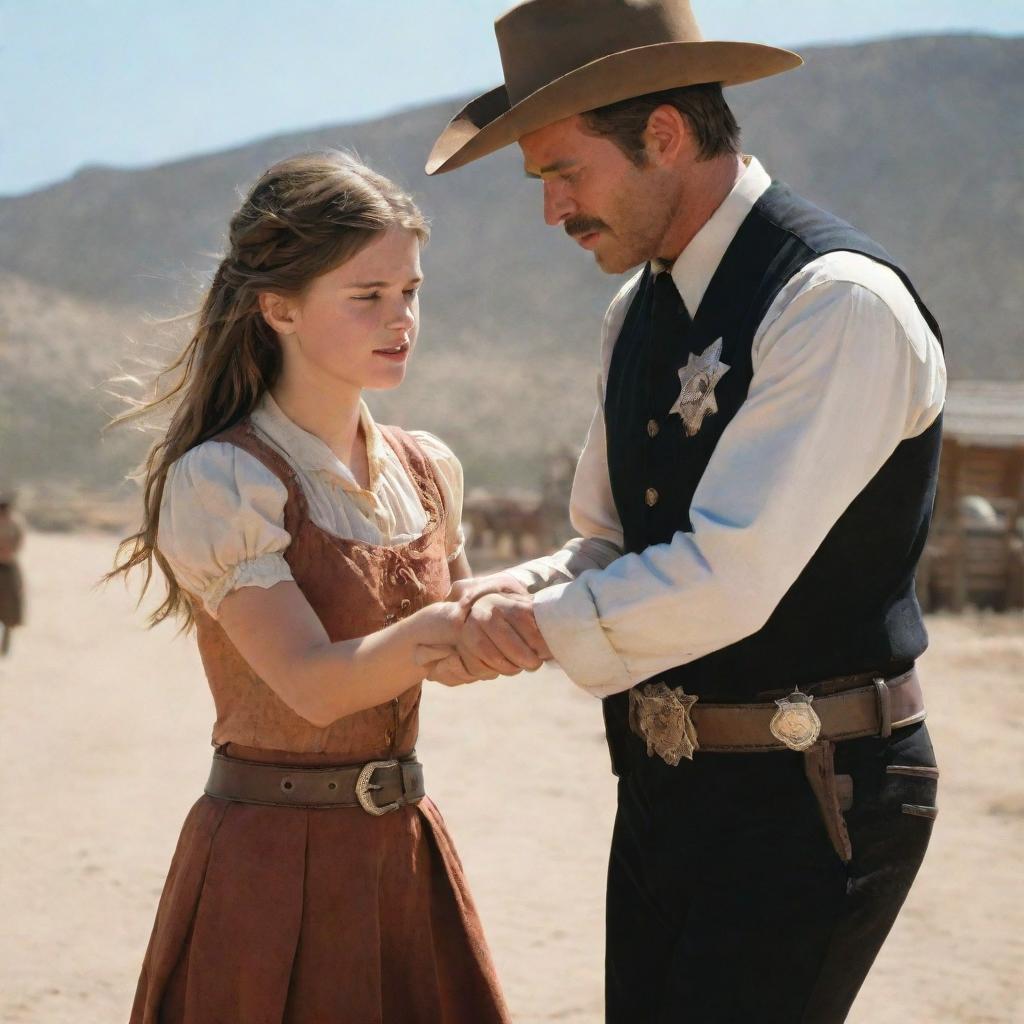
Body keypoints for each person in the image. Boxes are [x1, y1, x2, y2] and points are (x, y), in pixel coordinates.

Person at [421, 1, 946, 1021]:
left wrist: (517, 632)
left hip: (812, 794)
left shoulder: (834, 302)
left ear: (662, 134)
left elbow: (726, 574)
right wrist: (488, 597)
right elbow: (610, 543)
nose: (552, 211)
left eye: (562, 172)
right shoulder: (639, 309)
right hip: (669, 785)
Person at [107, 152, 512, 1023]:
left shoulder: (427, 467)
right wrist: (454, 624)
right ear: (278, 305)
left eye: (410, 290)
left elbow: (455, 651)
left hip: (403, 849)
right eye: (366, 295)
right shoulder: (224, 478)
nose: (400, 318)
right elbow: (314, 684)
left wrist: (530, 617)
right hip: (269, 864)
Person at [0, 490, 25, 656]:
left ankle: (5, 647)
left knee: (10, 609)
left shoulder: (14, 524)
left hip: (8, 567)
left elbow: (18, 542)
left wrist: (8, 551)